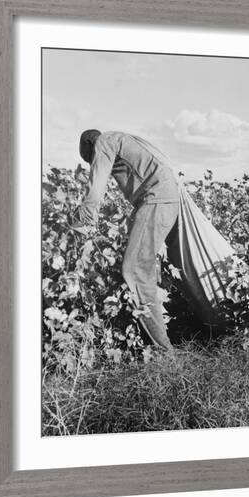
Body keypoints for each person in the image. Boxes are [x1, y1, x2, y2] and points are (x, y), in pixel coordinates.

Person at [77, 129, 179, 350]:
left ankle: (164, 352)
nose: (93, 163)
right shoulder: (121, 140)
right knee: (144, 265)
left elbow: (98, 183)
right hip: (163, 200)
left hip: (156, 200)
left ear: (89, 144)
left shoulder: (104, 142)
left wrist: (86, 211)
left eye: (90, 159)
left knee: (135, 271)